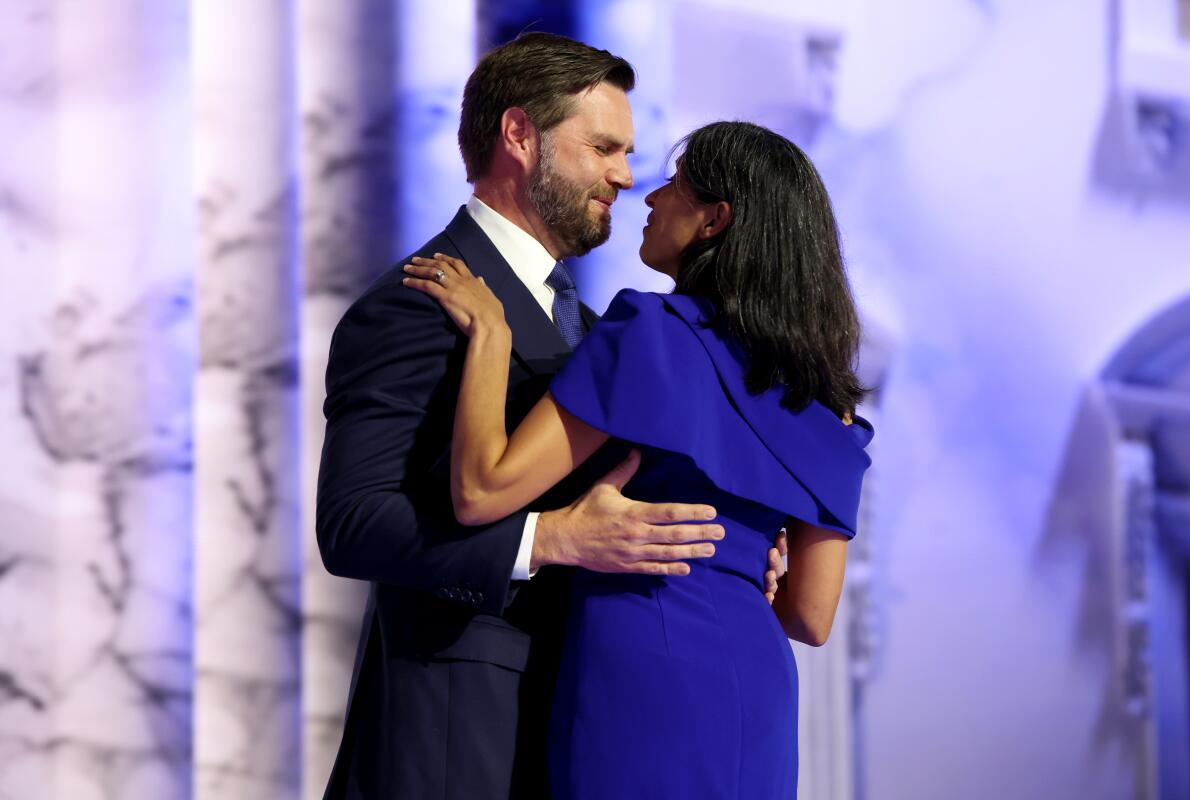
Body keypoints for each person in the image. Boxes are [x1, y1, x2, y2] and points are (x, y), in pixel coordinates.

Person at [315, 34, 783, 799]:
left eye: (627, 153)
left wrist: (736, 545)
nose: (625, 178)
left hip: (585, 725)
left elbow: (625, 504)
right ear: (520, 136)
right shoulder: (414, 304)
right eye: (603, 147)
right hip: (457, 735)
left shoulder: (600, 333)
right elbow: (355, 525)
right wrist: (550, 538)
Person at [400, 120, 874, 799]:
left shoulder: (653, 334)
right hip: (755, 683)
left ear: (716, 220)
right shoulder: (827, 403)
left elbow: (480, 490)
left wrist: (492, 335)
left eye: (675, 185)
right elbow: (809, 618)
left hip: (644, 655)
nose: (649, 198)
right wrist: (747, 565)